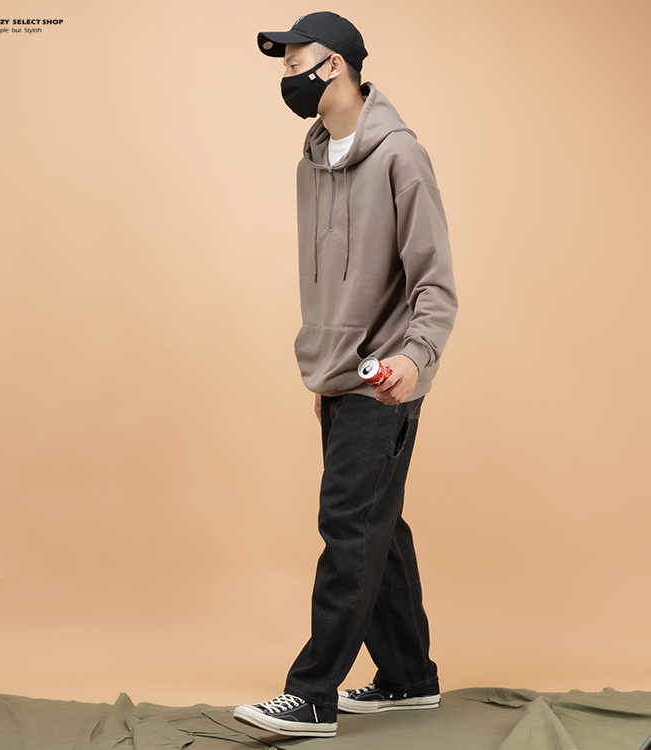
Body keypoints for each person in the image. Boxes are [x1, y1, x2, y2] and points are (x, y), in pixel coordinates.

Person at [234, 11, 458, 738]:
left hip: (383, 376)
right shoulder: (311, 164)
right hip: (339, 379)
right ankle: (409, 678)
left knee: (349, 527)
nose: (286, 75)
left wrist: (413, 358)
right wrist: (327, 375)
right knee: (377, 526)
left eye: (293, 60)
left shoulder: (401, 155)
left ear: (334, 64)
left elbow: (435, 284)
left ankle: (311, 695)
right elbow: (329, 284)